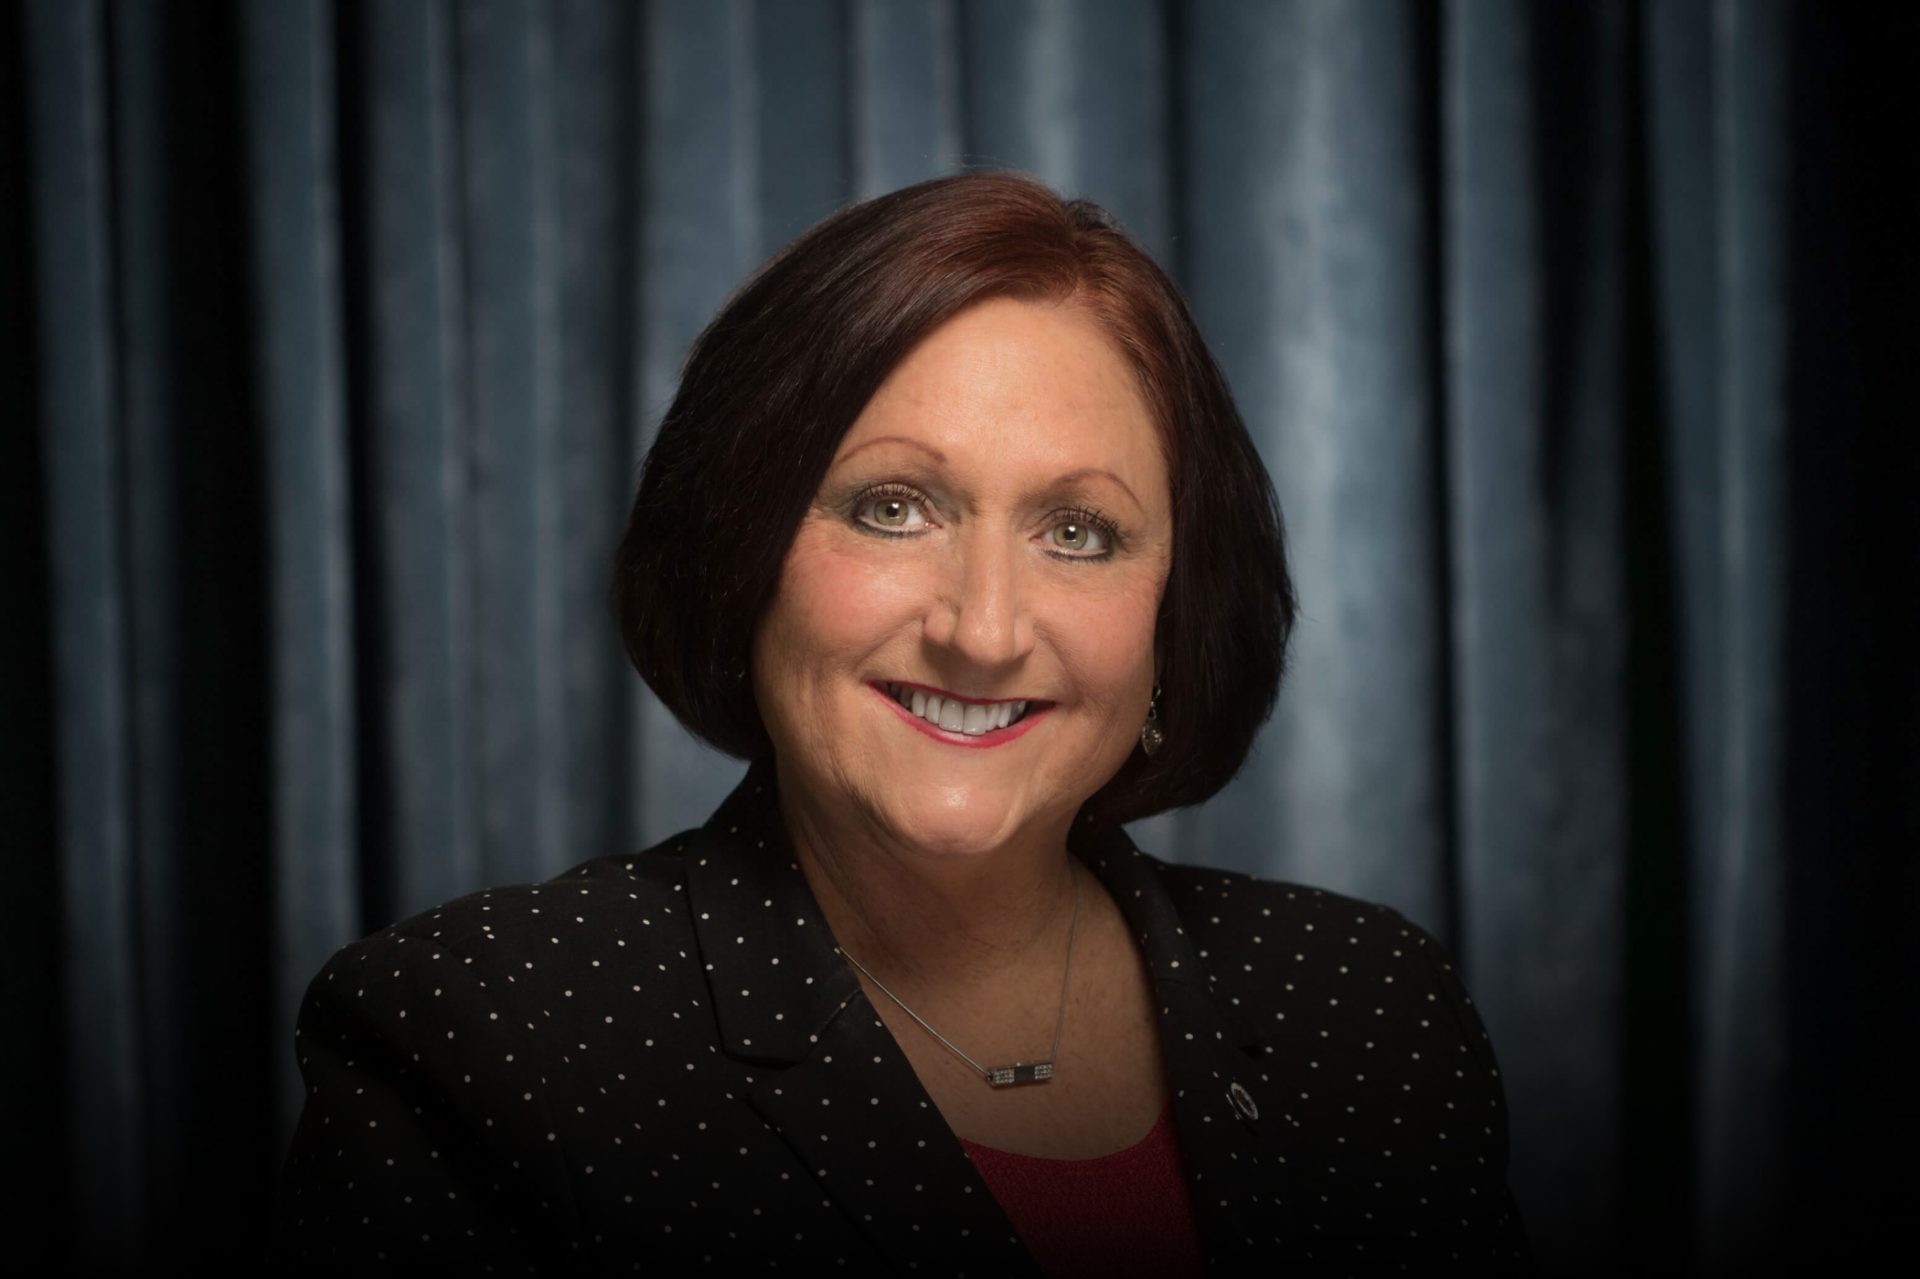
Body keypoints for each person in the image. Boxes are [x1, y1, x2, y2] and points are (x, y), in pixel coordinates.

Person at [271, 171, 1530, 1275]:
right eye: (892, 508)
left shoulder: (1366, 1006)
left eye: (1077, 531)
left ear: (1175, 615)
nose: (983, 629)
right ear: (743, 553)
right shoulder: (494, 1035)